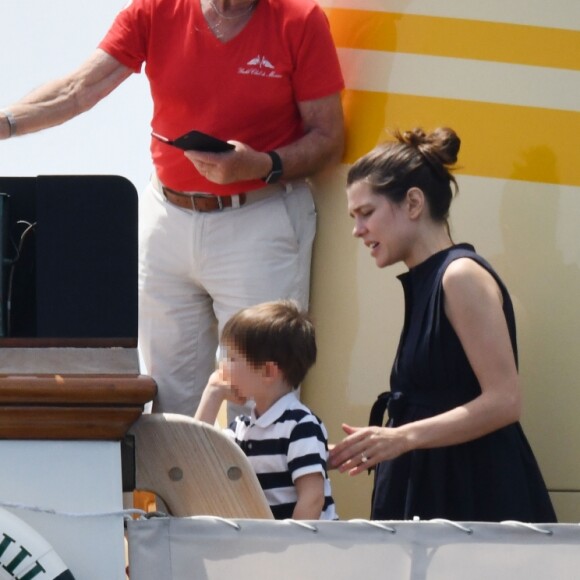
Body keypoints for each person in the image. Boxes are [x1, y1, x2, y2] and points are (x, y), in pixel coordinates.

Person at [0, 0, 345, 417]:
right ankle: (170, 487)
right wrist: (5, 123)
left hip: (261, 218)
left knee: (260, 405)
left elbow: (328, 138)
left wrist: (261, 165)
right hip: (168, 218)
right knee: (169, 404)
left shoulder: (299, 20)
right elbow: (78, 90)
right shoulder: (156, 9)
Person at [329, 127, 557, 523]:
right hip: (438, 498)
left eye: (366, 213)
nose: (357, 229)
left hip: (472, 500)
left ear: (413, 203)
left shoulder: (460, 276)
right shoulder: (430, 279)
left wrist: (399, 438)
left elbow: (505, 400)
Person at [194, 299, 337, 520]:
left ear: (268, 371)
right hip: (265, 544)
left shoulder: (300, 425)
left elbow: (312, 498)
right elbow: (195, 457)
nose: (223, 368)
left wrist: (288, 548)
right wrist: (212, 394)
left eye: (232, 359)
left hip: (302, 547)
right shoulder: (241, 428)